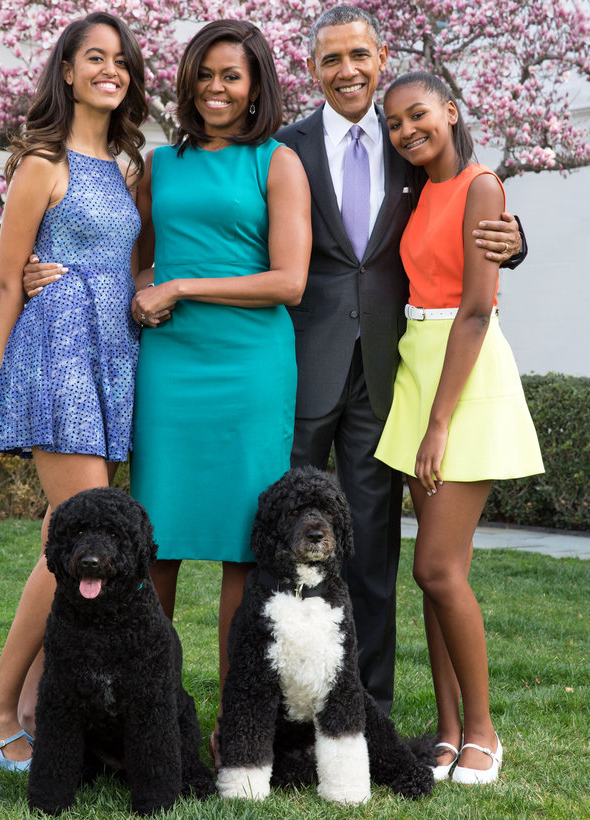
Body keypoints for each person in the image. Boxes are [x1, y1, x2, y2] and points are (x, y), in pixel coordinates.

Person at [276, 5, 526, 716]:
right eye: (330, 59)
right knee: (283, 536)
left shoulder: (408, 142)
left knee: (372, 547)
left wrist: (514, 239)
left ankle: (367, 712)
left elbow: (464, 206)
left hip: (391, 375)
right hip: (303, 364)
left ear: (381, 59)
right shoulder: (286, 148)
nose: (346, 70)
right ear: (312, 69)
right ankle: (286, 703)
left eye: (358, 55)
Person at [0, 12, 147, 771]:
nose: (110, 70)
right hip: (57, 351)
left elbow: (130, 264)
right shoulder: (42, 161)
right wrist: (3, 382)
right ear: (67, 72)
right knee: (78, 529)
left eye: (121, 60)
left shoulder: (129, 166)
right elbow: (9, 279)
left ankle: (35, 705)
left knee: (66, 535)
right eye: (94, 58)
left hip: (114, 354)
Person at [129, 19, 310, 767]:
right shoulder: (159, 164)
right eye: (204, 74)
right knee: (154, 542)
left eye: (231, 75)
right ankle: (148, 726)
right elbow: (135, 261)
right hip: (170, 369)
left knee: (244, 548)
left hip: (249, 367)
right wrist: (138, 287)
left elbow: (289, 281)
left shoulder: (279, 162)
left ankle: (237, 728)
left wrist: (182, 286)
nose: (215, 88)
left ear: (256, 84)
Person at [375, 71, 543, 784]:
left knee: (436, 568)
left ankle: (483, 732)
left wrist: (439, 423)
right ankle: (446, 732)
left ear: (450, 110)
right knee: (439, 573)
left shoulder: (482, 185)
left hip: (462, 377)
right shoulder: (416, 189)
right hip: (417, 365)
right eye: (393, 123)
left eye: (418, 115)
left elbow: (476, 310)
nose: (406, 131)